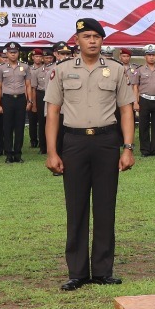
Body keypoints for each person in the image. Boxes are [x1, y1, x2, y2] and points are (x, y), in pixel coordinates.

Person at [45, 17, 137, 291]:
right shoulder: (62, 70)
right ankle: (77, 272)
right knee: (76, 207)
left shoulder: (116, 69)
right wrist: (52, 151)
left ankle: (103, 270)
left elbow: (126, 110)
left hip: (106, 141)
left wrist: (128, 148)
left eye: (97, 36)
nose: (92, 41)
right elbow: (52, 113)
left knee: (105, 206)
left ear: (102, 40)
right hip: (73, 142)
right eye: (87, 36)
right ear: (77, 40)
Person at [0, 42, 32, 162]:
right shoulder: (1, 68)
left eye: (15, 52)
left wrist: (29, 101)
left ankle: (18, 154)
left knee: (20, 127)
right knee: (7, 127)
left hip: (21, 99)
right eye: (10, 52)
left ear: (18, 53)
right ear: (7, 54)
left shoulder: (25, 67)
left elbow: (28, 85)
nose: (13, 55)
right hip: (7, 99)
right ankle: (9, 154)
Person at [133, 45, 155, 155]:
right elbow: (135, 86)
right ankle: (145, 149)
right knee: (144, 125)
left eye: (153, 55)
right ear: (145, 57)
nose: (151, 57)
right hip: (144, 99)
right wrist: (135, 102)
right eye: (149, 55)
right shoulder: (139, 70)